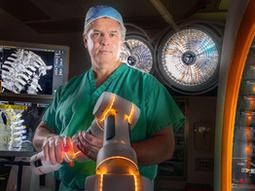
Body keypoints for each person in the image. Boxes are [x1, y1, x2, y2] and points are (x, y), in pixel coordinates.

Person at [33, 5, 184, 191]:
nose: (105, 41)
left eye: (112, 34)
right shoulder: (67, 90)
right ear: (85, 40)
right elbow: (40, 132)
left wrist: (114, 153)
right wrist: (51, 140)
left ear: (122, 41)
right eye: (97, 34)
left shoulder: (147, 86)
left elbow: (165, 147)